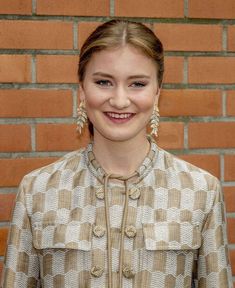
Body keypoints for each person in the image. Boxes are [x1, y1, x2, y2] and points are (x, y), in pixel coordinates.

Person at [1, 20, 233, 288]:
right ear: (82, 89)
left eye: (137, 84)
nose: (120, 100)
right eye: (103, 82)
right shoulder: (38, 190)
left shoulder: (201, 190)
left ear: (158, 91)